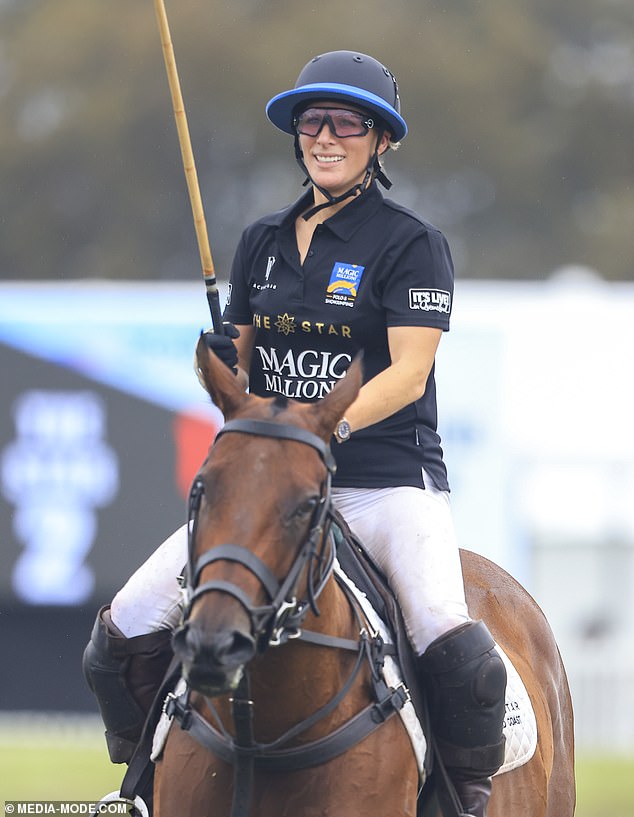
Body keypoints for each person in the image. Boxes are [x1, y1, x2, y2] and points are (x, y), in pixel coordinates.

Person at [83, 50, 507, 817]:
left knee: (459, 647)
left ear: (380, 140)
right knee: (119, 634)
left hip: (384, 481)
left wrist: (325, 425)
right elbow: (237, 365)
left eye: (346, 122)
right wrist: (216, 360)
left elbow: (409, 373)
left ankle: (458, 797)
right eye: (313, 121)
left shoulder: (411, 243)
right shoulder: (263, 240)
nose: (326, 135)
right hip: (273, 487)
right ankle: (142, 783)